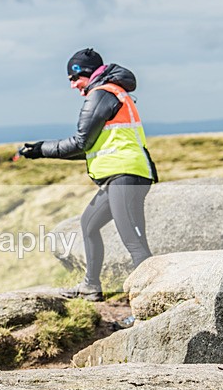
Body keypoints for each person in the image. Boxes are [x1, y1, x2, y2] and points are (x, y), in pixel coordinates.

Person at [19, 48, 158, 302]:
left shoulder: (101, 94)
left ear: (86, 74)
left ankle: (151, 304)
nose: (73, 86)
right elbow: (92, 146)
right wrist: (42, 151)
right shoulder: (110, 92)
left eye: (74, 79)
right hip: (119, 176)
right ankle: (90, 287)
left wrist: (40, 149)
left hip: (126, 174)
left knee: (134, 243)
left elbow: (81, 142)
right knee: (89, 224)